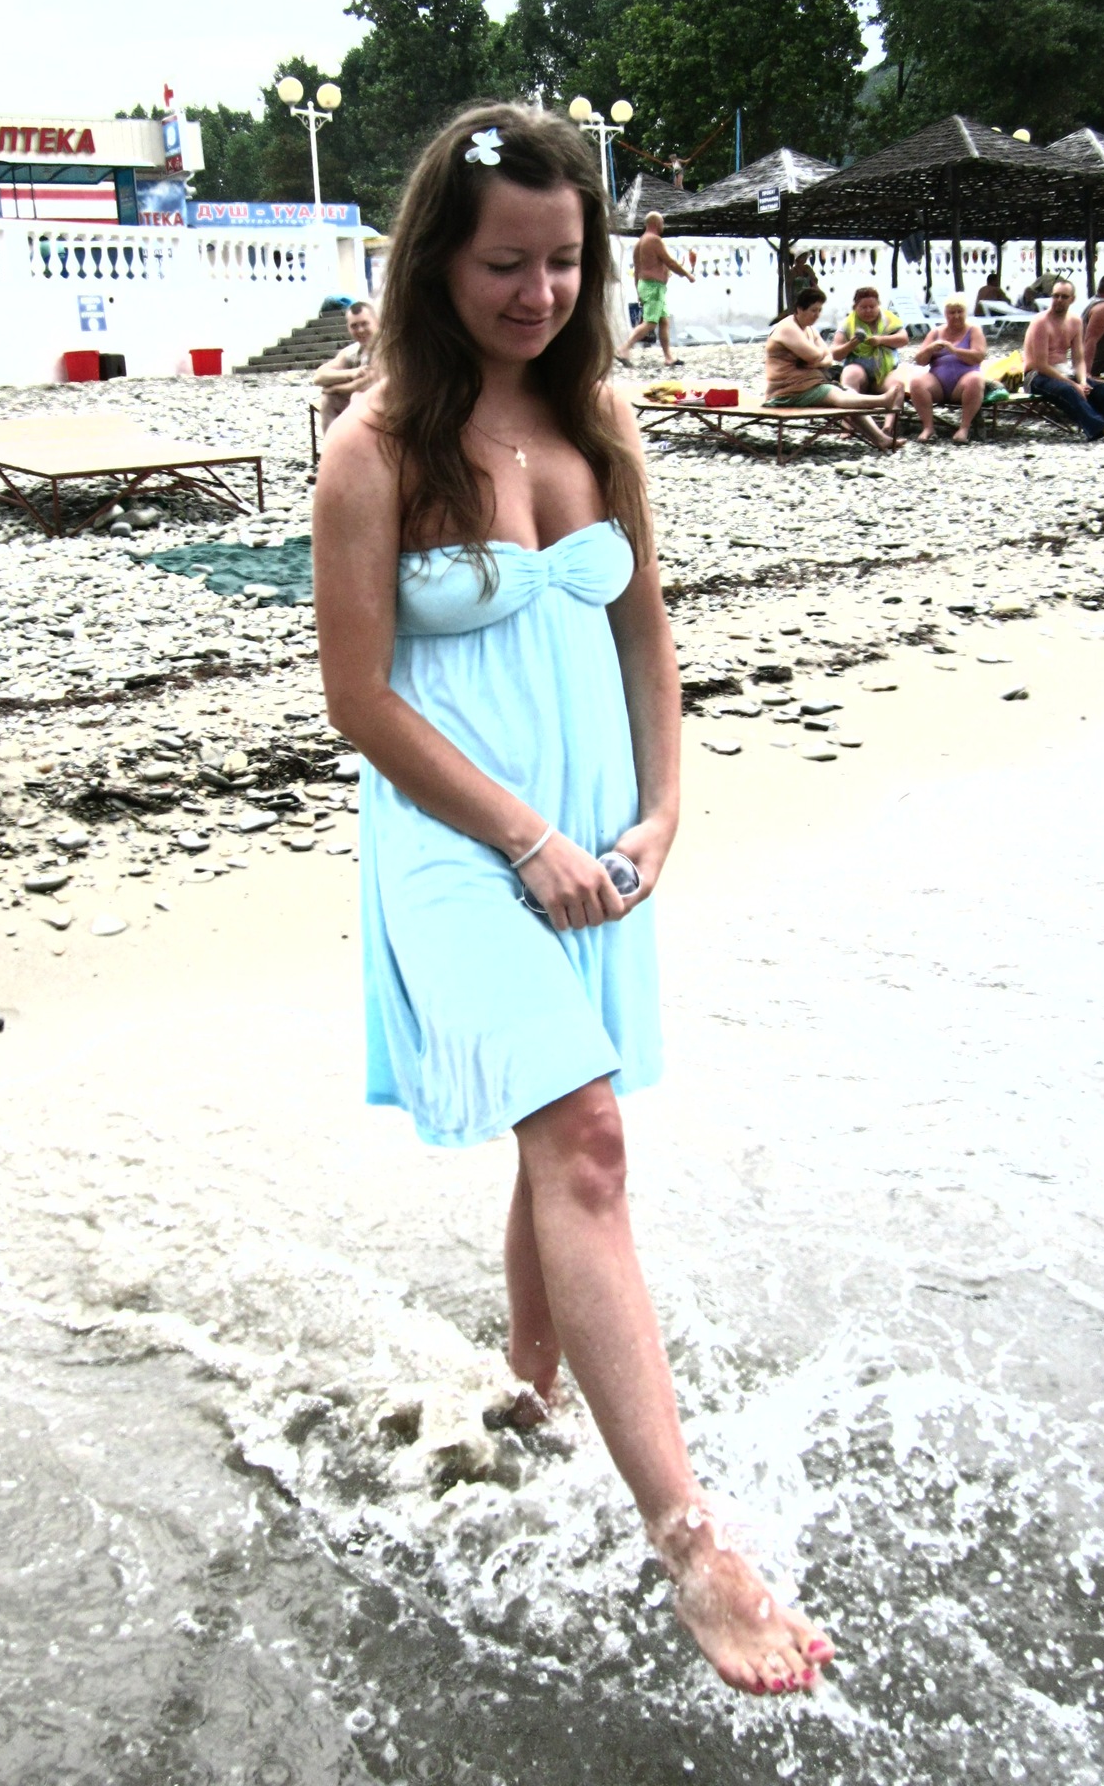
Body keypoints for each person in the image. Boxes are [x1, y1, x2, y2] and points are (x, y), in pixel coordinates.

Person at [313, 105, 834, 1699]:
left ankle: (533, 1388)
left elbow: (643, 630)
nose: (537, 293)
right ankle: (695, 1550)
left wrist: (663, 808)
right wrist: (525, 836)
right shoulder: (374, 451)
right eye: (503, 265)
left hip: (596, 837)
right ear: (435, 261)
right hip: (456, 836)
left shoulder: (599, 417)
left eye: (561, 262)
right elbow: (359, 701)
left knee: (564, 1131)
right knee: (590, 1137)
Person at [763, 286, 905, 450]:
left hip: (808, 384)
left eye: (819, 310)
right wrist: (818, 358)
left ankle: (881, 439)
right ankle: (882, 401)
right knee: (837, 395)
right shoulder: (787, 328)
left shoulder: (809, 329)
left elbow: (828, 356)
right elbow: (815, 355)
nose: (817, 315)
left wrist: (816, 360)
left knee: (848, 393)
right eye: (813, 310)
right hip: (786, 391)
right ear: (799, 309)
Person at [1021, 281, 1104, 443]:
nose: (1059, 300)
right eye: (1056, 296)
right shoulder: (1041, 322)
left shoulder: (1075, 321)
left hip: (1064, 372)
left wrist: (1082, 381)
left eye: (1064, 297)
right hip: (1036, 376)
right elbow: (1040, 365)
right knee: (1068, 390)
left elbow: (1078, 359)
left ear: (1072, 299)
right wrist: (1074, 385)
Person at [614, 212, 695, 366]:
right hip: (653, 287)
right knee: (650, 322)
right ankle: (623, 349)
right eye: (662, 223)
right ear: (656, 223)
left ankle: (668, 357)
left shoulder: (640, 243)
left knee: (664, 321)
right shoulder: (654, 240)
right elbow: (670, 262)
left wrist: (638, 291)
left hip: (647, 285)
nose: (663, 226)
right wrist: (687, 275)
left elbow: (637, 271)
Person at [907, 296, 988, 443]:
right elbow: (920, 361)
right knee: (916, 382)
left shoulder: (974, 330)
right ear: (945, 314)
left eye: (959, 312)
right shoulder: (935, 332)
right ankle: (928, 427)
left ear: (965, 312)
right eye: (952, 312)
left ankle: (964, 428)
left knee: (976, 379)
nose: (956, 316)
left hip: (963, 381)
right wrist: (930, 349)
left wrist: (954, 350)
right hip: (938, 383)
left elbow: (978, 356)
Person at [831, 286, 909, 404]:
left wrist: (881, 340)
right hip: (859, 370)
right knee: (850, 374)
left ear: (878, 306)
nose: (868, 311)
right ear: (855, 307)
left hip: (887, 371)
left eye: (872, 307)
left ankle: (891, 416)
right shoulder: (847, 324)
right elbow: (835, 354)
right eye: (863, 307)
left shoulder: (888, 319)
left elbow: (904, 339)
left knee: (897, 386)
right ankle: (850, 411)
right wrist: (851, 344)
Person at [311, 298, 379, 432]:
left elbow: (366, 384)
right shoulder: (353, 351)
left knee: (352, 396)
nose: (360, 330)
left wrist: (334, 389)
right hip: (364, 404)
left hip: (390, 405)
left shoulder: (386, 346)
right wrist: (351, 373)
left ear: (376, 322)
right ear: (348, 328)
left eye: (364, 324)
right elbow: (319, 376)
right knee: (329, 399)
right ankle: (332, 442)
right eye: (354, 326)